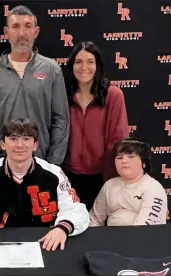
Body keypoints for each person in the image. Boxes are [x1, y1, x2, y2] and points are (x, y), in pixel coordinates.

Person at [0, 118, 89, 252]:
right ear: (2, 144)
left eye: (26, 139)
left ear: (35, 144)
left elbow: (75, 209)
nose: (19, 145)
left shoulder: (54, 173)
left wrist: (62, 228)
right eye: (13, 139)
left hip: (46, 243)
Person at [0, 5, 69, 166]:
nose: (21, 33)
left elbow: (61, 119)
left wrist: (53, 163)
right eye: (15, 26)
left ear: (36, 31)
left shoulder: (52, 69)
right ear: (6, 32)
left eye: (27, 26)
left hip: (42, 161)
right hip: (2, 162)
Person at [62, 41, 129, 211]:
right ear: (71, 65)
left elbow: (118, 139)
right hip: (68, 175)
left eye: (90, 61)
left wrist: (110, 178)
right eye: (78, 62)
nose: (84, 67)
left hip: (102, 177)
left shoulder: (113, 95)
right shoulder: (62, 95)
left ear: (97, 65)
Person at [89, 137, 168, 226]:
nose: (124, 161)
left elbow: (146, 229)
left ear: (144, 163)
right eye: (119, 157)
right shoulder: (109, 185)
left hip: (143, 238)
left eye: (131, 156)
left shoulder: (153, 188)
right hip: (109, 238)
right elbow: (94, 219)